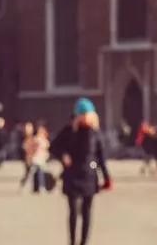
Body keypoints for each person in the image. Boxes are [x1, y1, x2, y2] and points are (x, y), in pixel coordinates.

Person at [51, 99, 112, 245]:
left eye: (88, 114)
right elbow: (54, 147)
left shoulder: (96, 133)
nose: (86, 117)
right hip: (72, 175)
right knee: (73, 212)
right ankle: (72, 242)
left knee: (86, 213)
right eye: (83, 114)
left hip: (89, 176)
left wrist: (107, 177)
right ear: (77, 115)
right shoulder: (68, 131)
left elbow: (100, 158)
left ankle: (84, 242)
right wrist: (63, 156)